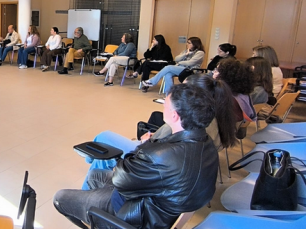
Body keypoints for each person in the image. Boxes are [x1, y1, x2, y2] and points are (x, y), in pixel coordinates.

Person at [53, 83, 218, 229]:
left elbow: (119, 178)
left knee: (60, 198)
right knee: (95, 175)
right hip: (159, 213)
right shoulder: (206, 144)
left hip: (136, 220)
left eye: (165, 104)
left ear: (175, 115)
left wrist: (145, 145)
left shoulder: (162, 156)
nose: (163, 106)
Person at [81, 74, 238, 189]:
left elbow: (155, 152)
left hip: (150, 159)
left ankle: (90, 166)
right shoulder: (213, 117)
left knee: (104, 137)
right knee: (102, 156)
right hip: (170, 164)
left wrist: (145, 142)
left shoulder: (183, 122)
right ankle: (93, 166)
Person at [140, 37, 205, 93]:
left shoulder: (200, 53)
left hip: (190, 70)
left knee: (168, 67)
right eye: (187, 42)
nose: (187, 44)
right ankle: (169, 94)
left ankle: (152, 81)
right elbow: (176, 59)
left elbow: (190, 63)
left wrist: (180, 63)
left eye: (189, 43)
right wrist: (185, 54)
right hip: (181, 68)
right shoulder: (186, 51)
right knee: (168, 74)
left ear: (195, 44)